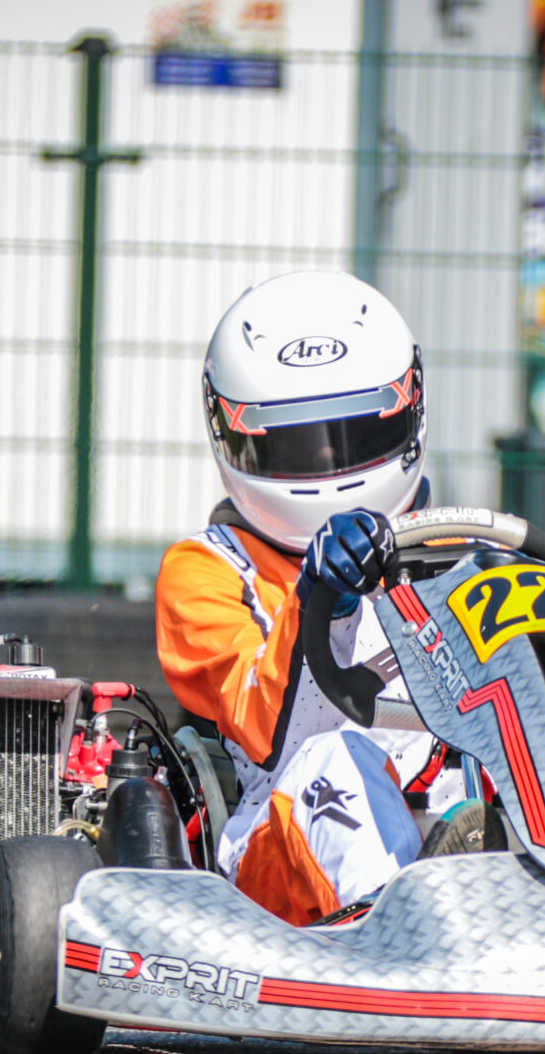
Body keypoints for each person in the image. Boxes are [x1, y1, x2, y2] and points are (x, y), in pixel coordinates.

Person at [154, 270, 457, 925]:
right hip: (282, 842)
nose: (328, 461)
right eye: (296, 443)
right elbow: (272, 737)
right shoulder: (207, 571)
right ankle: (400, 926)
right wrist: (325, 602)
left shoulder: (465, 555)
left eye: (354, 434)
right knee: (337, 760)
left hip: (445, 807)